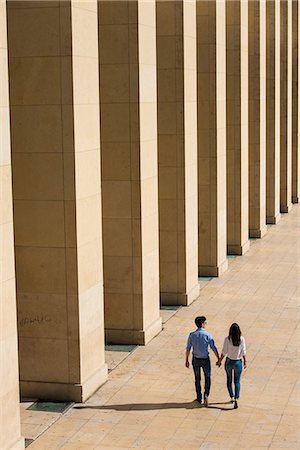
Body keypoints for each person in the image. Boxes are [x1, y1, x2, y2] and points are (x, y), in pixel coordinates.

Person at [185, 316, 220, 406]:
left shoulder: (192, 335)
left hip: (195, 359)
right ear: (202, 324)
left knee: (197, 378)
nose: (206, 324)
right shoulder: (207, 335)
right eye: (205, 322)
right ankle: (206, 395)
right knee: (207, 377)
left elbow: (188, 348)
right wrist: (218, 358)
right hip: (205, 359)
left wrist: (187, 360)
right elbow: (213, 347)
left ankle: (199, 397)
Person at [217, 323, 247, 409]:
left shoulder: (227, 339)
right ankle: (237, 398)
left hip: (229, 362)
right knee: (237, 381)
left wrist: (219, 361)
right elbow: (243, 352)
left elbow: (224, 352)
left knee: (229, 380)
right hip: (238, 362)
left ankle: (232, 397)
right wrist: (245, 362)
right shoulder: (241, 339)